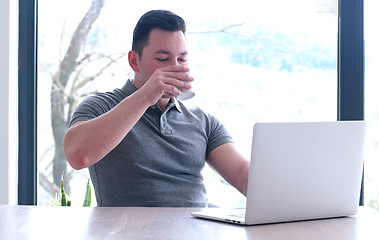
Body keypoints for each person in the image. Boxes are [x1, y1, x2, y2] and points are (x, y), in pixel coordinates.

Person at [63, 10, 249, 207]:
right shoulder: (101, 106)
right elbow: (77, 156)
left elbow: (241, 175)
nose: (175, 67)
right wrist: (146, 96)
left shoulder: (203, 121)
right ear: (134, 61)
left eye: (182, 59)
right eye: (163, 59)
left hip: (198, 231)